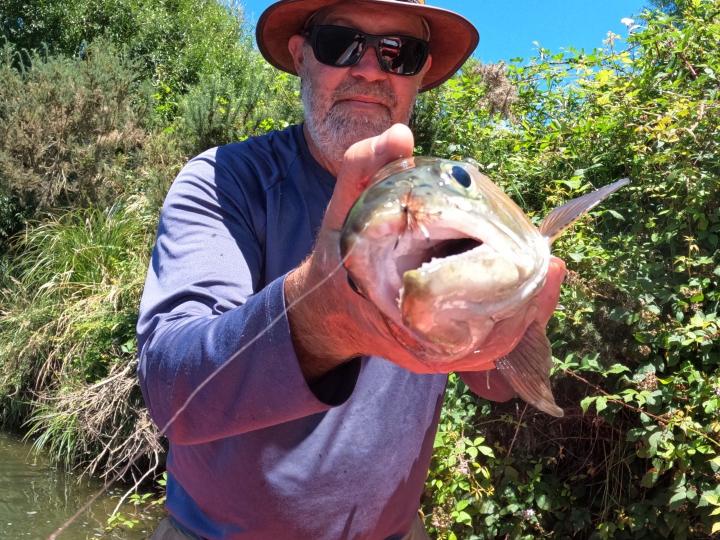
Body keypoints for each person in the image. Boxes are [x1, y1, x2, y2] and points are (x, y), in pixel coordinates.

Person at [137, 0, 566, 538]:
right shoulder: (223, 182)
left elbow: (490, 382)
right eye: (340, 42)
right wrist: (321, 314)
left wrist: (505, 342)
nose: (368, 68)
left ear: (422, 73)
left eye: (399, 52)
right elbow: (171, 391)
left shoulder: (456, 205)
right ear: (300, 55)